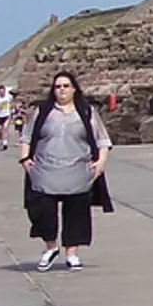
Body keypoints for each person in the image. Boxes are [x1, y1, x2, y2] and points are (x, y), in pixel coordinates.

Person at [19, 70, 112, 272]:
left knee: (76, 212)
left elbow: (102, 139)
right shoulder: (42, 111)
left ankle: (72, 254)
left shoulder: (86, 112)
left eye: (65, 86)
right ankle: (51, 247)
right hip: (45, 171)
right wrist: (25, 159)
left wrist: (101, 162)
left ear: (74, 89)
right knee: (42, 211)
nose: (61, 90)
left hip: (77, 171)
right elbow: (26, 137)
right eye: (58, 86)